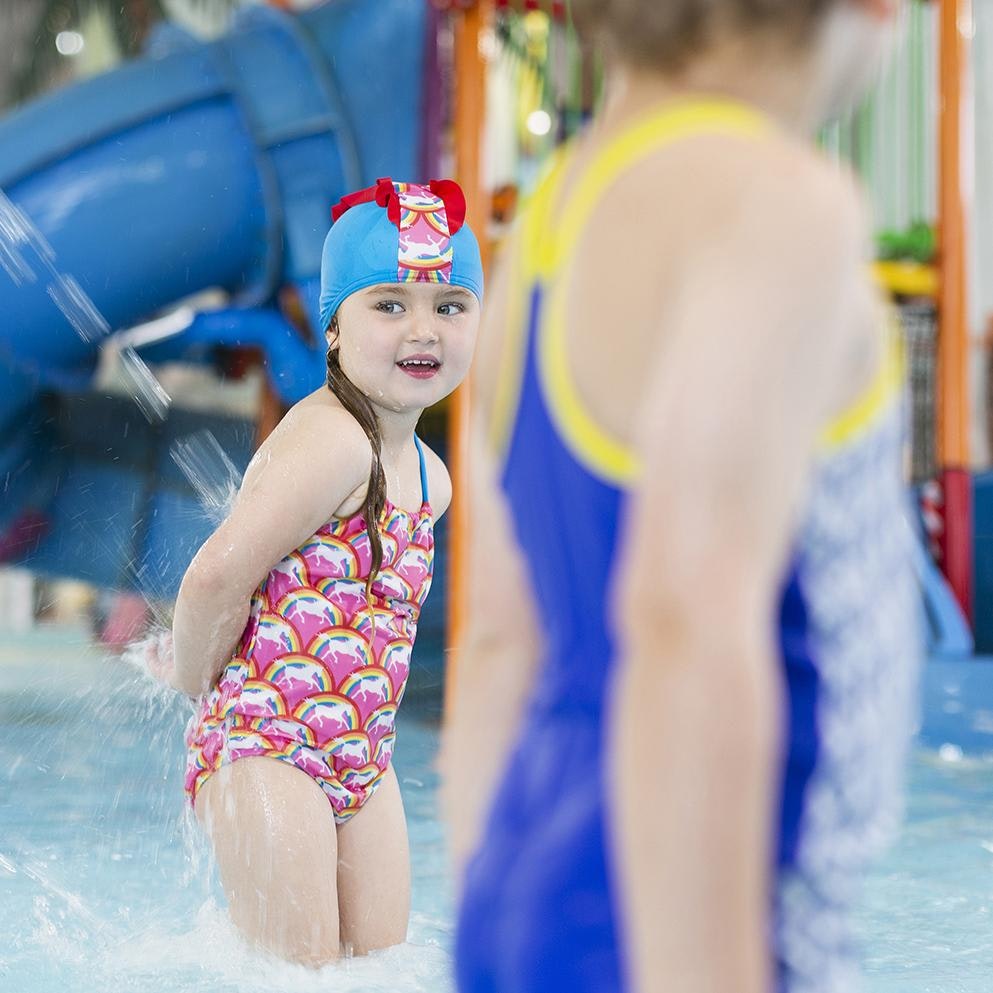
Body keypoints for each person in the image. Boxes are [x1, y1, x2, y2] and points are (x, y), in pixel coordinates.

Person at [443, 2, 921, 992]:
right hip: (680, 923)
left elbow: (496, 639)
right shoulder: (778, 204)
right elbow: (686, 617)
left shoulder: (542, 229)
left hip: (525, 887)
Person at [160, 178, 483, 966]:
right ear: (334, 328)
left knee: (379, 967)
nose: (423, 328)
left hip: (362, 756)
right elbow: (213, 577)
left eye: (449, 304)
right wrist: (193, 684)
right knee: (297, 977)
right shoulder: (332, 439)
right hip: (266, 742)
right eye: (389, 303)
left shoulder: (429, 479)